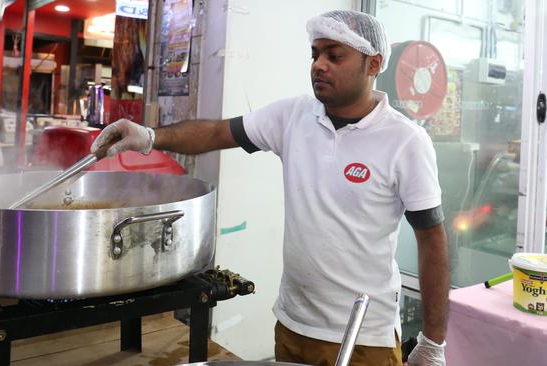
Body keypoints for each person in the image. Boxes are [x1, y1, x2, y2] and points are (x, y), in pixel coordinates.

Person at [91, 10, 449, 366]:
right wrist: (151, 136)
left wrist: (433, 342)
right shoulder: (294, 117)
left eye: (334, 55)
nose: (319, 65)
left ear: (373, 64)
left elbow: (431, 239)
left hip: (363, 337)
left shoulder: (405, 142)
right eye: (315, 54)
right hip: (294, 325)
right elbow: (217, 132)